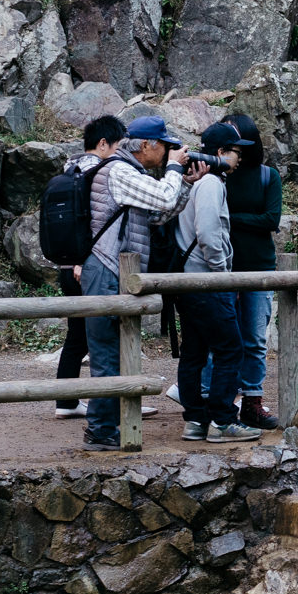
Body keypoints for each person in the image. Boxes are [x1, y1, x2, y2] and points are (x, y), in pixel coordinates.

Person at [80, 116, 198, 452]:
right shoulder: (119, 171)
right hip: (105, 269)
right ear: (146, 145)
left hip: (114, 271)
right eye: (164, 147)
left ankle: (109, 427)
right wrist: (175, 170)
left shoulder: (131, 172)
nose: (167, 153)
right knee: (106, 354)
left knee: (116, 353)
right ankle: (101, 430)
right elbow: (161, 199)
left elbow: (159, 214)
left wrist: (186, 182)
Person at [175, 123, 261, 443]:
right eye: (236, 152)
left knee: (194, 352)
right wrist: (222, 274)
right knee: (230, 350)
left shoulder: (196, 183)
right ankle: (223, 421)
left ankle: (196, 420)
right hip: (207, 281)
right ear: (221, 153)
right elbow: (210, 235)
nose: (239, 158)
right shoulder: (211, 183)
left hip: (187, 282)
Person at [54, 115, 125, 419]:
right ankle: (114, 403)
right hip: (85, 266)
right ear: (102, 144)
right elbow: (88, 224)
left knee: (78, 336)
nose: (121, 153)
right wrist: (82, 262)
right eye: (118, 146)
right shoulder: (93, 172)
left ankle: (66, 401)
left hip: (66, 264)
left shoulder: (70, 169)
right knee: (98, 338)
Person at [220, 111, 283, 428]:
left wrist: (232, 218)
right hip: (224, 266)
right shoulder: (219, 176)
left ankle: (253, 402)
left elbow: (271, 220)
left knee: (256, 339)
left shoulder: (267, 176)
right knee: (227, 337)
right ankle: (222, 403)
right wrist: (247, 219)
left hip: (259, 266)